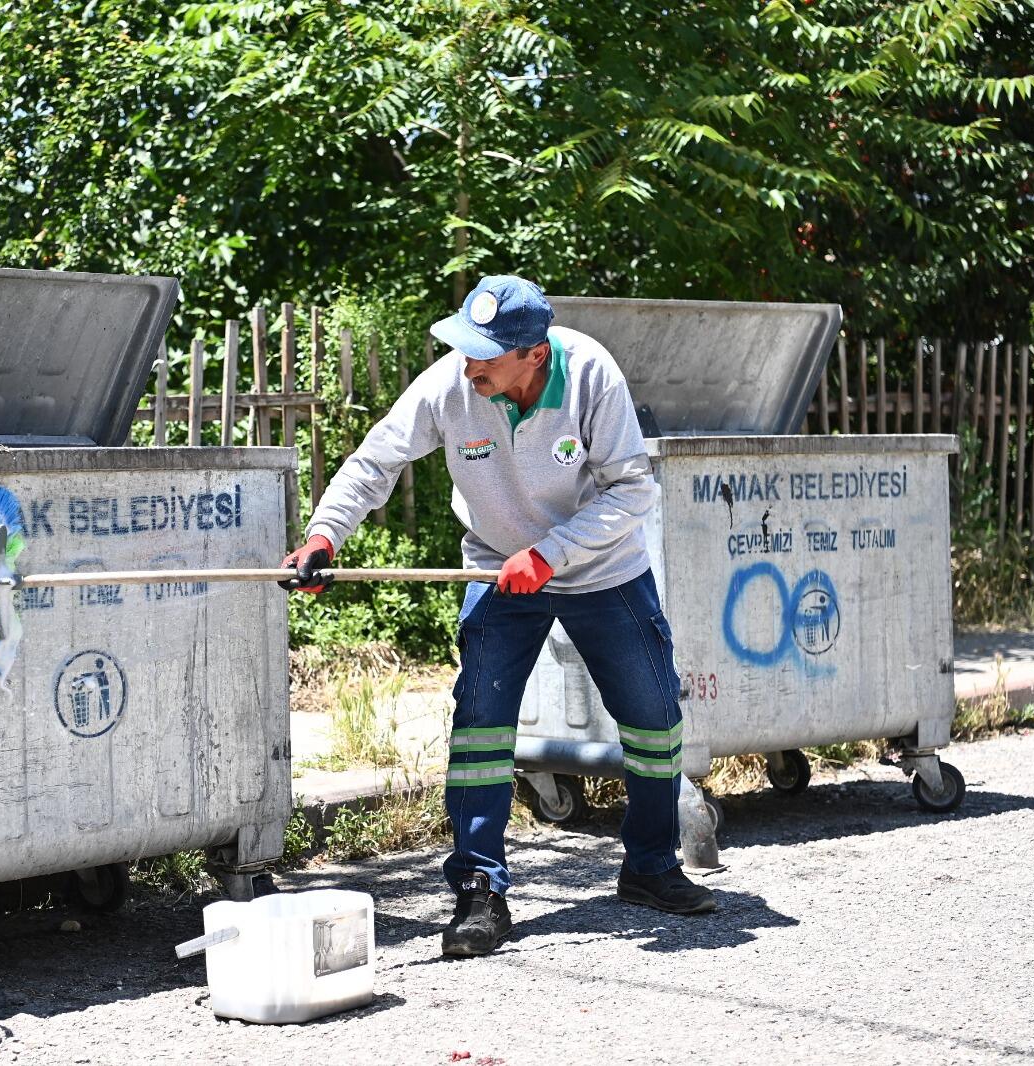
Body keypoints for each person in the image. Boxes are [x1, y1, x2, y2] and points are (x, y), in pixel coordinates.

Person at [280, 275, 715, 958]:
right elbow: (376, 459)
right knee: (481, 721)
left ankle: (651, 866)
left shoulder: (591, 376)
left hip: (600, 566)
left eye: (485, 353)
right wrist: (324, 535)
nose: (469, 363)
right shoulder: (452, 386)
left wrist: (552, 553)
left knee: (653, 719)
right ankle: (479, 889)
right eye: (465, 347)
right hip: (496, 561)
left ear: (534, 354)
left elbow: (632, 493)